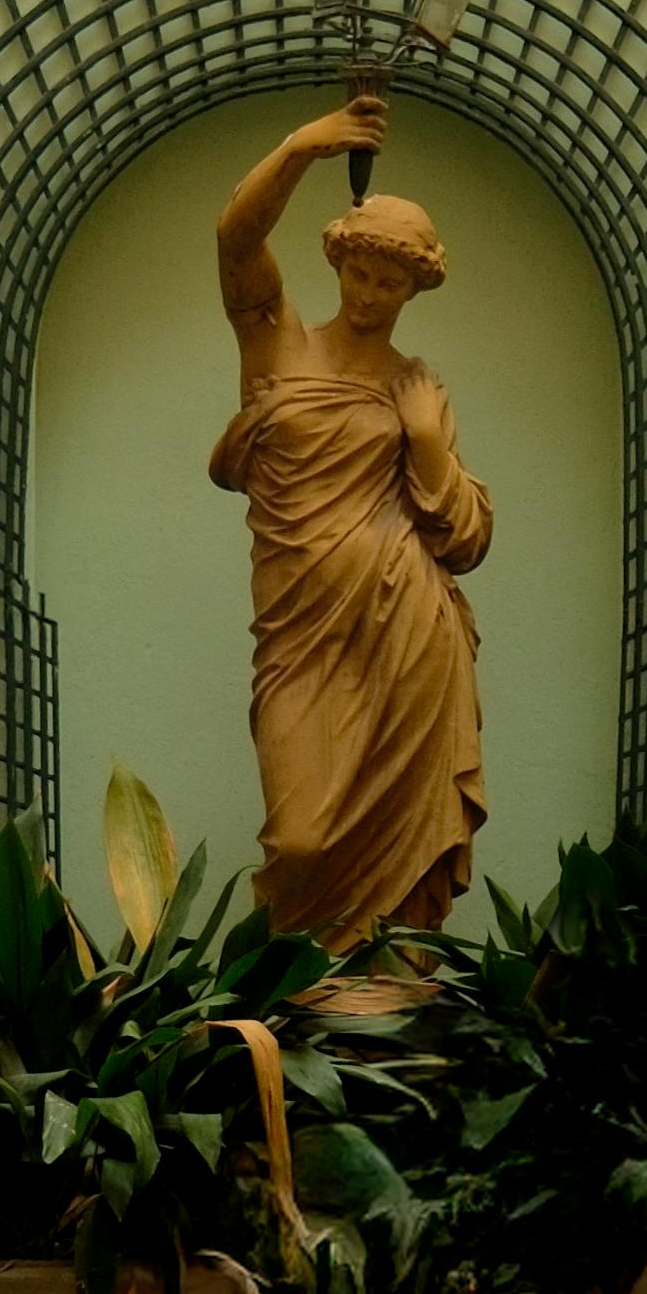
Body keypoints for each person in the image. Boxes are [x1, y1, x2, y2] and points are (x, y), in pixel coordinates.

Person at [209, 91, 494, 941]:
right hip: (300, 629)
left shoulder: (418, 388)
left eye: (390, 281)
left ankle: (388, 1011)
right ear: (337, 265)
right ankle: (298, 1007)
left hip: (407, 633)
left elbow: (468, 538)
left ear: (412, 287)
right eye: (361, 273)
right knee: (298, 838)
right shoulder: (278, 346)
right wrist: (305, 145)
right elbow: (235, 241)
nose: (370, 293)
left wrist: (428, 448)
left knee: (404, 863)